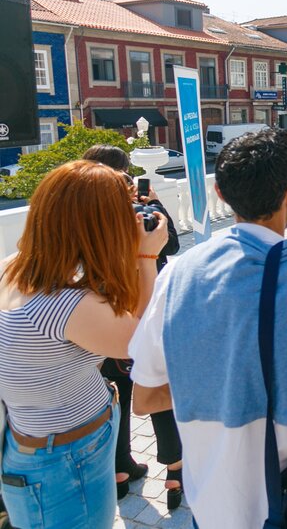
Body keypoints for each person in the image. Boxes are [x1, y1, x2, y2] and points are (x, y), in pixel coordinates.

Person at [129, 129, 287, 529]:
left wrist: (223, 384)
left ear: (220, 193)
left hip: (210, 508)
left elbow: (145, 397)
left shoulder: (178, 277)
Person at [0, 160, 169, 529]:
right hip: (66, 457)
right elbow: (141, 339)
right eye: (120, 213)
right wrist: (146, 257)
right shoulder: (62, 302)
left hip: (47, 443)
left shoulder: (16, 266)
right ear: (96, 224)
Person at [81, 145, 184, 506]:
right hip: (149, 307)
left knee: (117, 390)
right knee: (157, 386)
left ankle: (120, 469)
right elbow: (170, 243)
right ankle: (174, 471)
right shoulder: (141, 210)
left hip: (105, 313)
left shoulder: (83, 215)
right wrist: (154, 204)